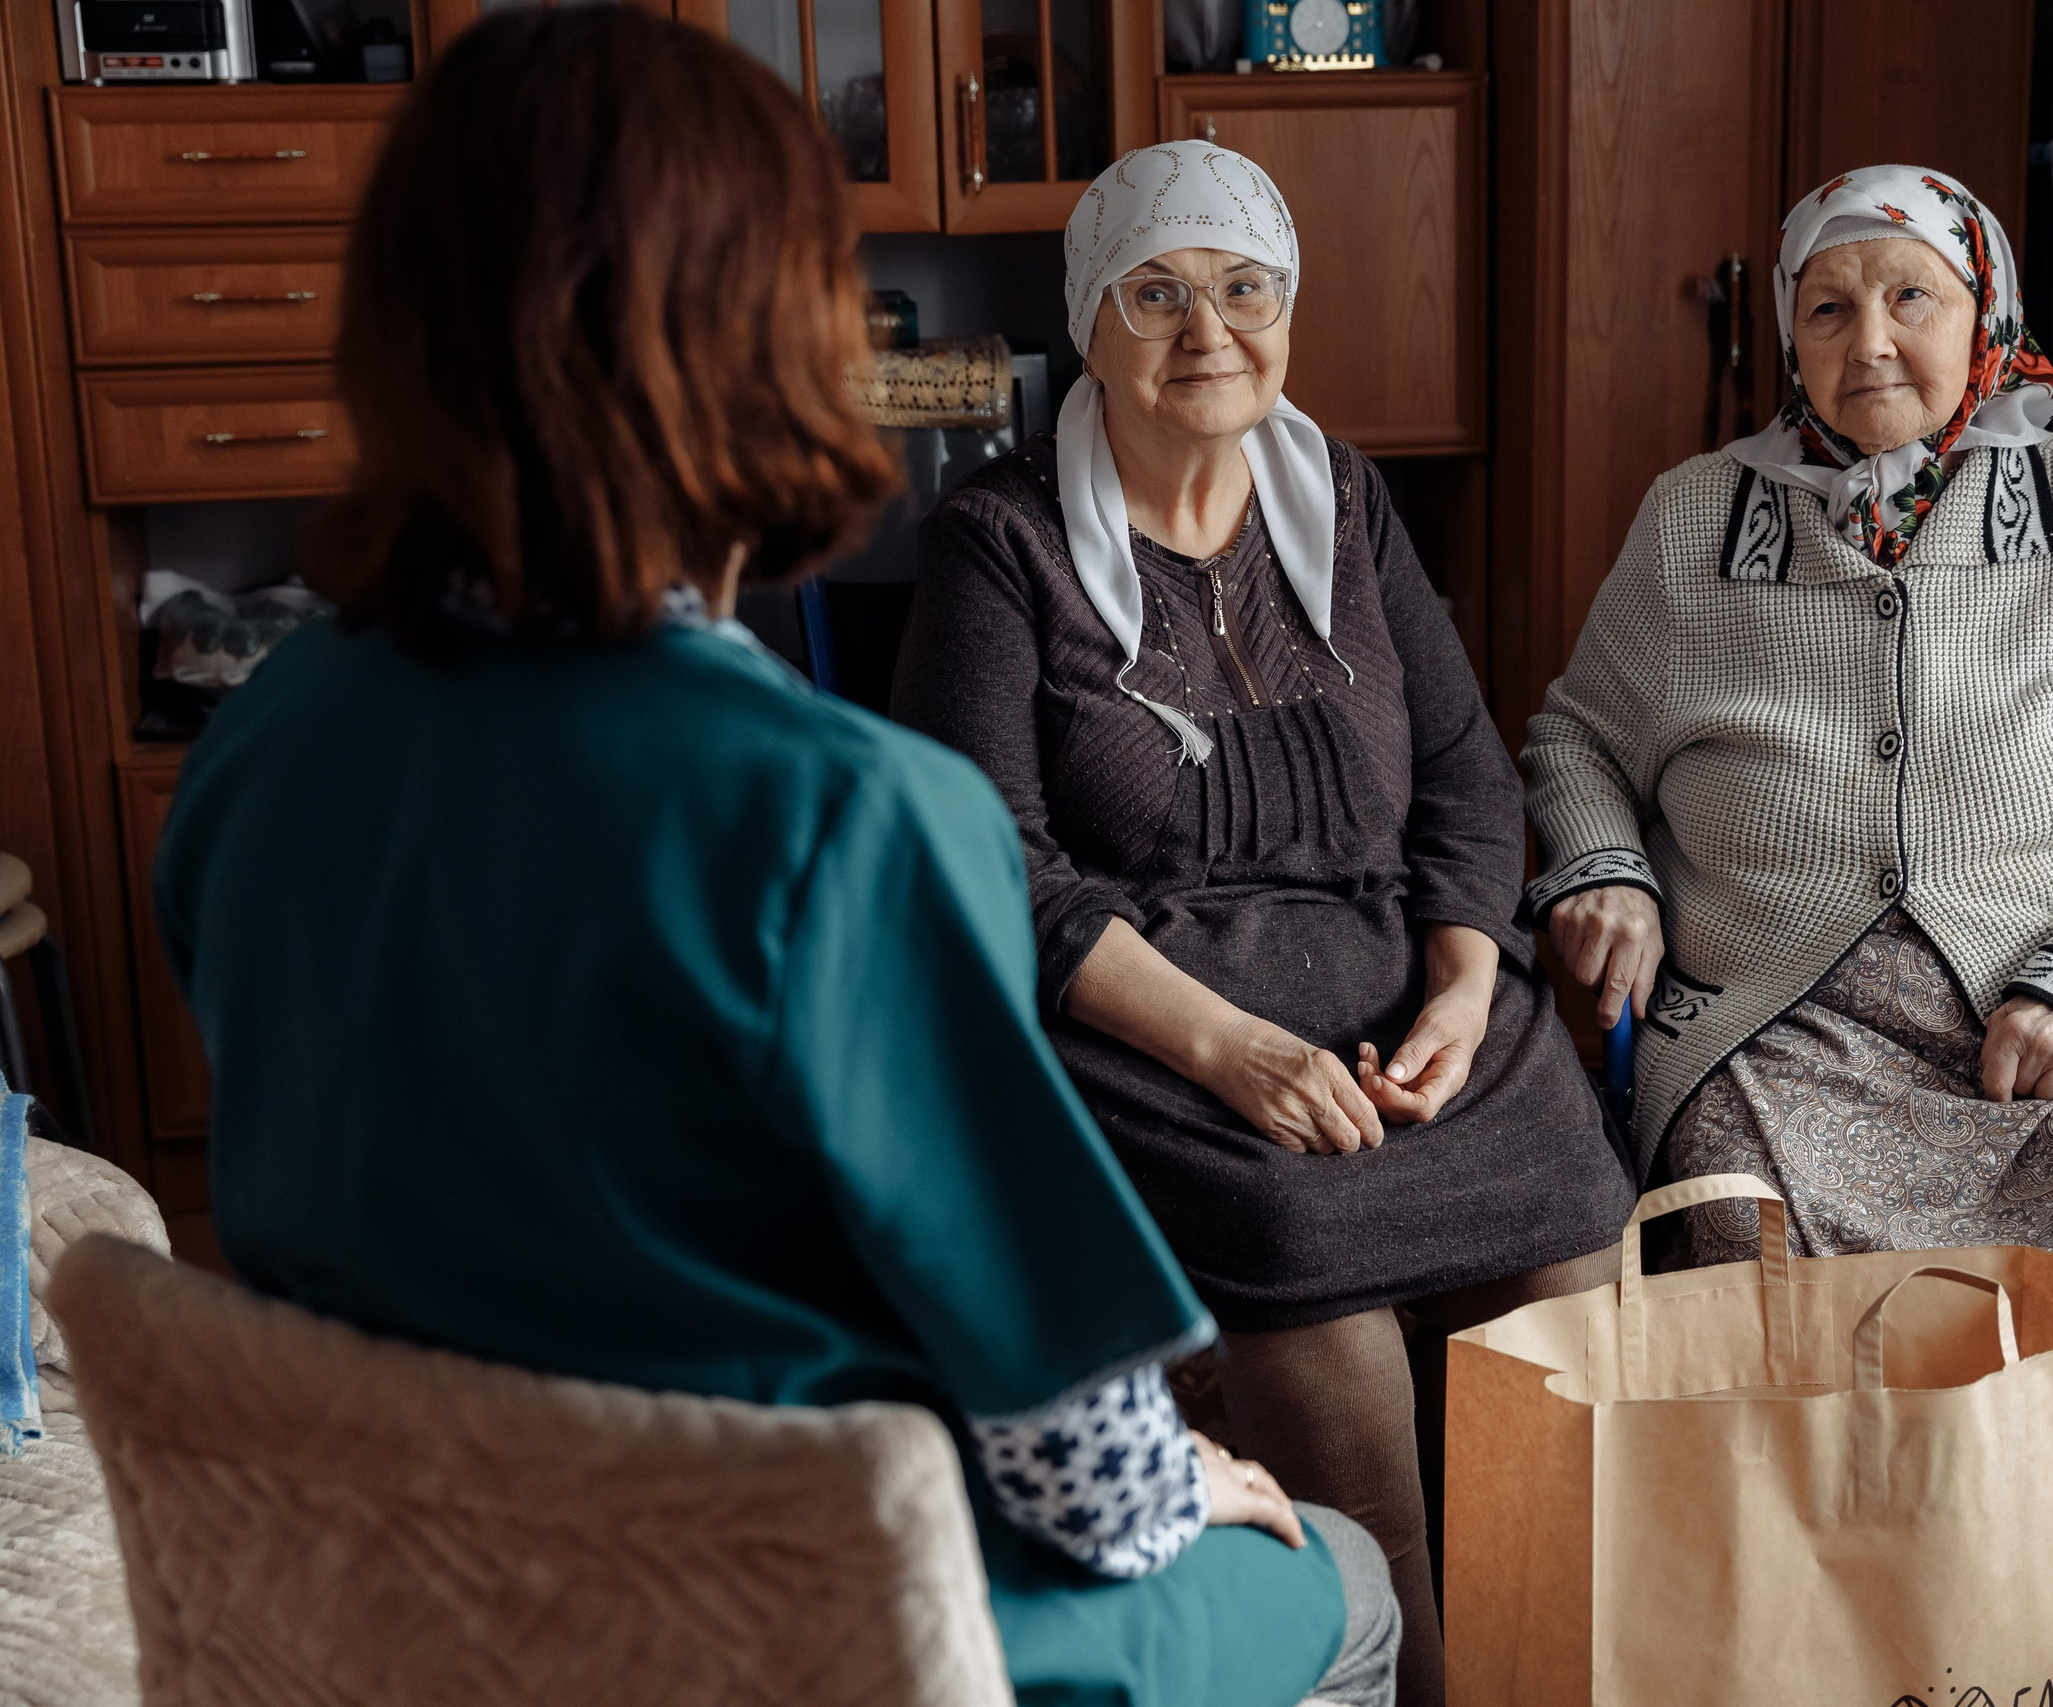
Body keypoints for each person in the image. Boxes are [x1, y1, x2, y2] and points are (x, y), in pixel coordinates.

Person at [149, 16, 1397, 1706]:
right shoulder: (844, 817)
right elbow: (1081, 1458)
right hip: (813, 1624)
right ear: (776, 345)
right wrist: (1204, 1489)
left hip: (423, 1613)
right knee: (1351, 1582)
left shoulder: (256, 750)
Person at [891, 140, 1634, 1707]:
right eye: (1155, 293)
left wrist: (1458, 989)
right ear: (1088, 319)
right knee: (1315, 1269)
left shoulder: (1343, 497)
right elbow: (990, 865)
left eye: (1244, 289)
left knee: (1580, 1251)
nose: (1206, 330)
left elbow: (1464, 781)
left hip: (1400, 996)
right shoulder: (1000, 543)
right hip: (1156, 1024)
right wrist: (1234, 1054)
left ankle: (1572, 1677)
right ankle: (1407, 1679)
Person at [1519, 164, 2053, 1702]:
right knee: (1734, 1210)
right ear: (1785, 334)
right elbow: (1579, 734)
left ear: (1982, 311)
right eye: (1829, 305)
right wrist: (1610, 871)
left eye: (1912, 297)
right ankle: (1829, 1624)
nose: (1872, 341)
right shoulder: (1693, 522)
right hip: (1780, 1024)